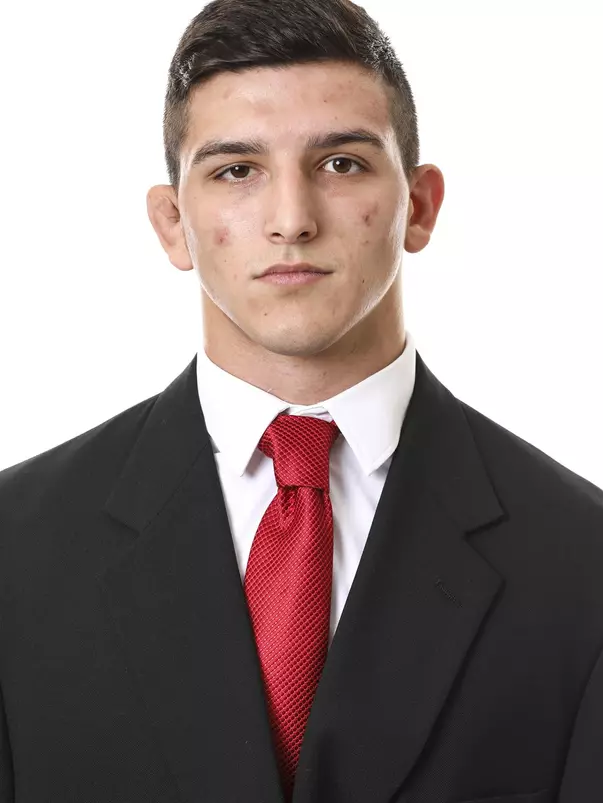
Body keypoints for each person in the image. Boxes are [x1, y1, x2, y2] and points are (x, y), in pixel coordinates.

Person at [1, 0, 602, 801]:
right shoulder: (15, 547)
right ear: (172, 223)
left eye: (341, 163)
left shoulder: (581, 560)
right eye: (236, 170)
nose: (291, 220)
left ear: (418, 206)